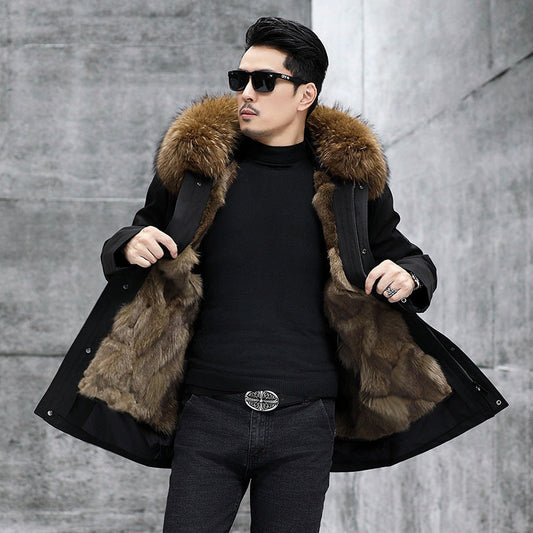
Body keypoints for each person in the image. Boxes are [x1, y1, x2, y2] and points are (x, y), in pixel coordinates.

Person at [35, 14, 506, 533]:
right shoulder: (198, 170)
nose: (246, 93)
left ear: (306, 94)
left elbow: (407, 255)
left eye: (264, 81)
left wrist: (410, 275)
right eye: (240, 79)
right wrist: (130, 243)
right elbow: (140, 230)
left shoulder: (348, 182)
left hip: (307, 419)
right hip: (207, 411)